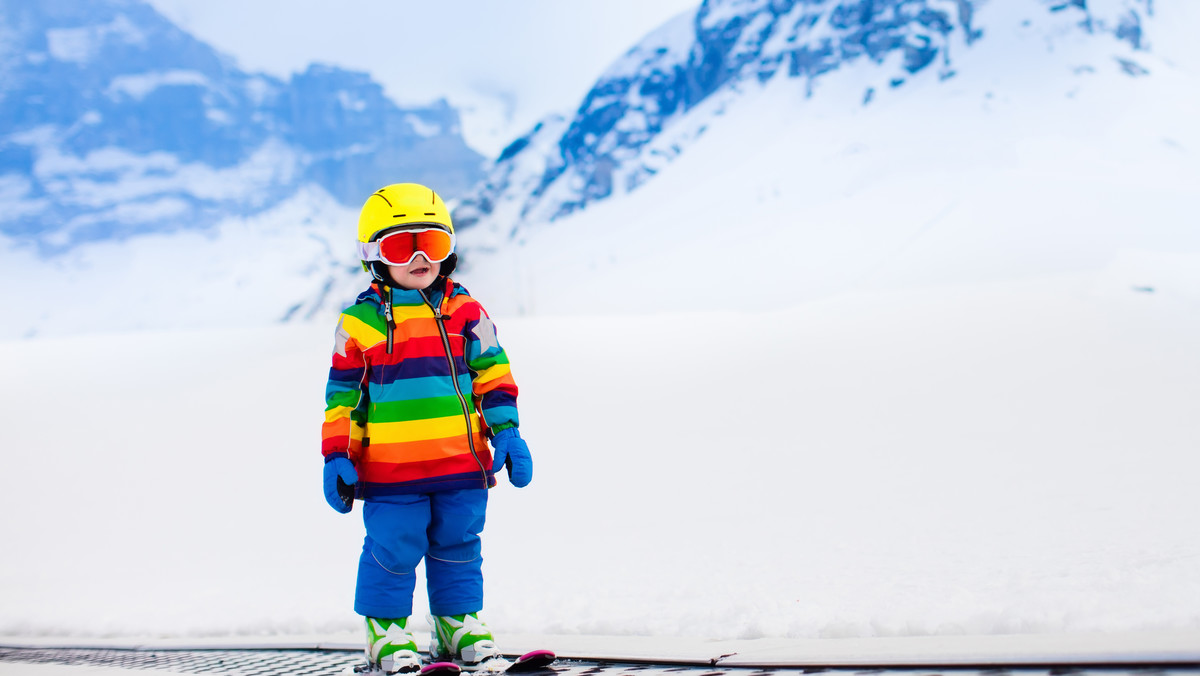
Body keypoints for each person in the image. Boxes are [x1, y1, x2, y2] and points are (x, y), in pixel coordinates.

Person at [321, 183, 534, 675]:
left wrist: (506, 432)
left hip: (462, 463)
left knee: (460, 542)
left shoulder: (469, 313)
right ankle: (385, 630)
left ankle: (456, 622)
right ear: (375, 256)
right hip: (392, 470)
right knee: (393, 545)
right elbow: (342, 399)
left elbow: (493, 374)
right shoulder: (359, 324)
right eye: (402, 246)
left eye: (432, 244)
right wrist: (337, 455)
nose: (420, 256)